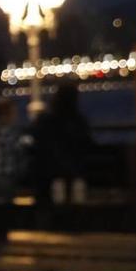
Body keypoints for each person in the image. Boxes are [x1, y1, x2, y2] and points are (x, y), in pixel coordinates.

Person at [32, 79, 95, 207]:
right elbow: (87, 144)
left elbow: (36, 143)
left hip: (47, 174)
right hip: (74, 172)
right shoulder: (78, 122)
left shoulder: (45, 121)